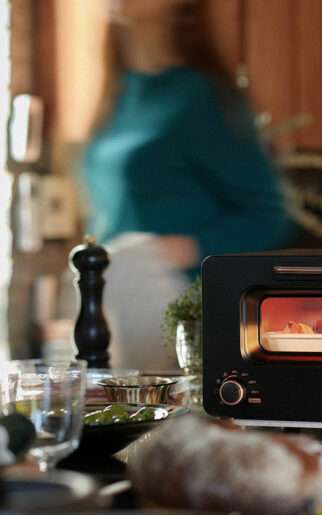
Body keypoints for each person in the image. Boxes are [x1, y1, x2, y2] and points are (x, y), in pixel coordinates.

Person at [81, 0, 292, 369]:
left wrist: (183, 248)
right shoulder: (119, 93)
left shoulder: (200, 98)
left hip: (172, 311)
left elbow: (269, 217)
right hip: (109, 299)